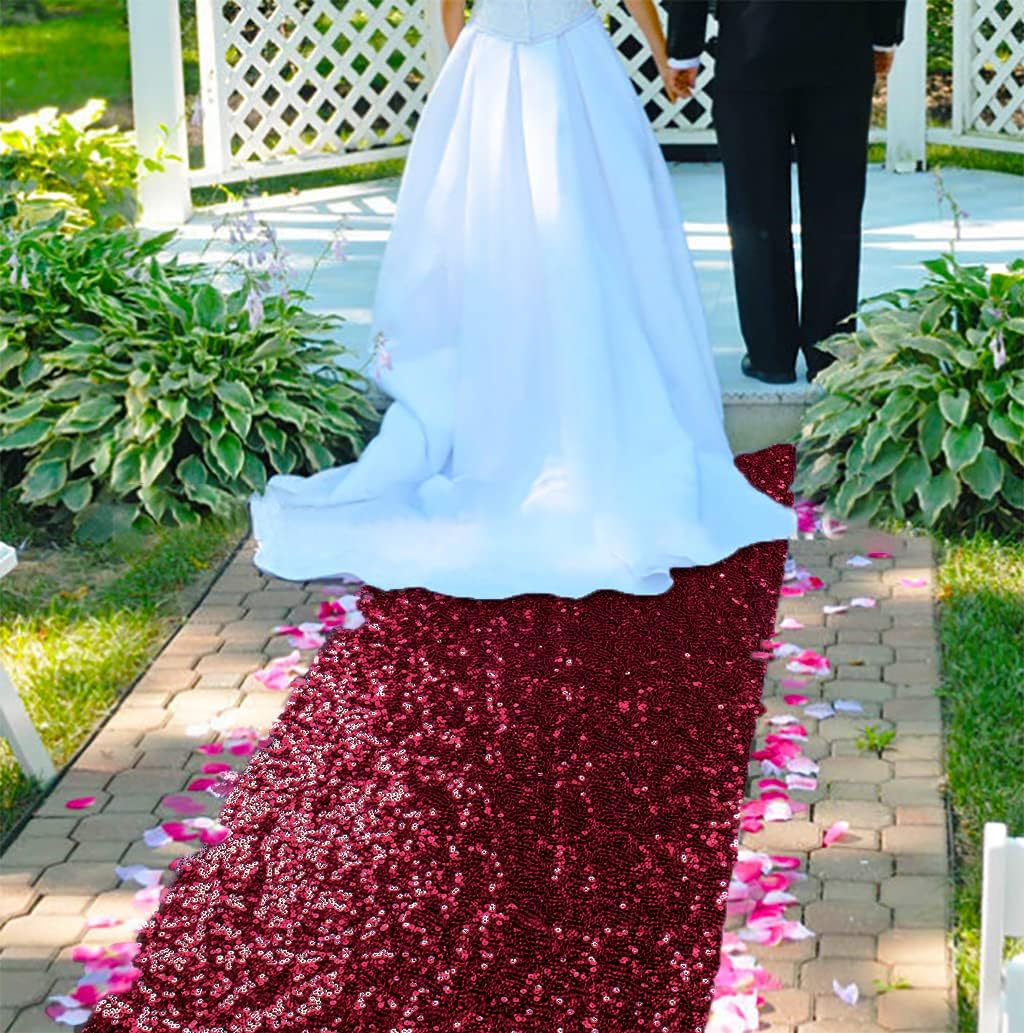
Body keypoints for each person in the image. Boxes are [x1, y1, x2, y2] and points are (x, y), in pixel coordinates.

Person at [249, 0, 797, 598]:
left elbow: (450, 8)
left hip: (498, 62)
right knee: (594, 231)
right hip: (570, 63)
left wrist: (465, 67)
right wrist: (663, 55)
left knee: (514, 228)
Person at [663, 0, 907, 384]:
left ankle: (770, 354)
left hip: (750, 46)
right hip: (841, 46)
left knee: (754, 210)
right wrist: (883, 35)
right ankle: (830, 352)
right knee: (835, 209)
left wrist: (683, 50)